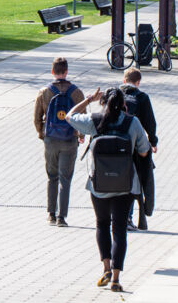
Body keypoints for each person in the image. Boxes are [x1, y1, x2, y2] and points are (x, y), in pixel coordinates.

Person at [65, 87, 151, 293]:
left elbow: (69, 116)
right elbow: (144, 150)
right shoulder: (133, 122)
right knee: (119, 229)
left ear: (102, 102)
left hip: (99, 186)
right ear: (124, 104)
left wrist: (88, 100)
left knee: (102, 224)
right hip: (125, 186)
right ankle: (116, 278)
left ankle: (105, 267)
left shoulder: (95, 120)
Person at [34, 57, 84, 226]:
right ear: (67, 71)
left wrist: (43, 134)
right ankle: (62, 217)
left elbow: (36, 118)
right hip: (69, 140)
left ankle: (51, 213)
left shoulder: (44, 92)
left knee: (52, 176)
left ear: (52, 71)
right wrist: (81, 135)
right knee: (65, 178)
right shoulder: (77, 92)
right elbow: (83, 117)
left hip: (51, 140)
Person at [120, 67, 157, 231]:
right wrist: (153, 141)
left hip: (112, 145)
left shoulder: (114, 94)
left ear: (123, 80)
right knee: (133, 182)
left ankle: (114, 215)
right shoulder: (142, 97)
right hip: (134, 146)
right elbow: (150, 122)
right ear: (138, 82)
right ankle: (127, 218)